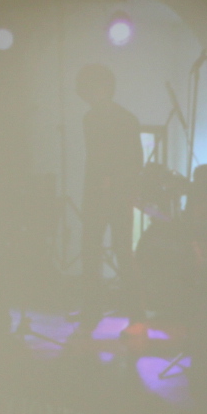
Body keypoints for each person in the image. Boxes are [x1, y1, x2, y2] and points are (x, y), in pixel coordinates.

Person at [75, 64, 145, 307]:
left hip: (106, 193)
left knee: (99, 250)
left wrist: (110, 180)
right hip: (111, 193)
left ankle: (96, 307)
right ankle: (133, 308)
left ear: (103, 87)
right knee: (115, 250)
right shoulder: (120, 118)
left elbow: (111, 158)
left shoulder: (97, 118)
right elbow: (134, 160)